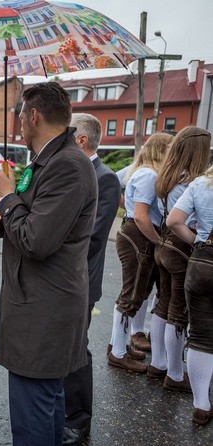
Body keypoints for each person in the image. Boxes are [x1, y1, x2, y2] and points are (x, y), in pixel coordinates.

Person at [0, 82, 97, 445]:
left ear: (32, 116)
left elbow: (36, 240)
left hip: (44, 307)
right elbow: (36, 222)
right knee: (47, 405)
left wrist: (7, 197)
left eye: (20, 116)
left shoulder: (67, 165)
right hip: (39, 302)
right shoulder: (50, 159)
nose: (19, 125)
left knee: (34, 413)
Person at [62, 113, 121, 445]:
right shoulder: (71, 172)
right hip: (61, 278)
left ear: (81, 139)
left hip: (80, 279)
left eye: (66, 133)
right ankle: (63, 409)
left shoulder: (105, 177)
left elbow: (94, 237)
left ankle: (79, 419)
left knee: (76, 351)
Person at [150, 127, 211, 391]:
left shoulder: (168, 176)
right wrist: (195, 241)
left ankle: (158, 363)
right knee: (177, 311)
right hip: (182, 247)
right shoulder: (193, 181)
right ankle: (174, 374)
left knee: (163, 304)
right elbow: (182, 221)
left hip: (164, 243)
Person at [107, 132, 173, 373]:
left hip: (137, 234)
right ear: (161, 151)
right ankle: (118, 353)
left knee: (138, 292)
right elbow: (142, 216)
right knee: (132, 294)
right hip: (139, 235)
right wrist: (158, 240)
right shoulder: (149, 175)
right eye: (170, 150)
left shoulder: (144, 172)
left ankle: (118, 345)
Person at [167, 164, 213, 426]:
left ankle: (201, 406)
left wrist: (197, 241)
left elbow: (173, 220)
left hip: (203, 261)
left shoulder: (200, 184)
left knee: (200, 336)